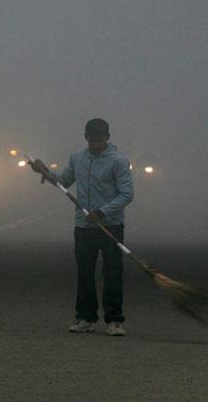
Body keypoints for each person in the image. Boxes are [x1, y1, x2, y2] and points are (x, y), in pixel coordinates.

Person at [31, 118, 134, 336]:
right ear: (85, 137)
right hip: (84, 226)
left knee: (112, 273)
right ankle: (86, 318)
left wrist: (103, 211)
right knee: (85, 272)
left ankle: (114, 320)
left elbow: (127, 194)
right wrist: (42, 170)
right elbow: (63, 181)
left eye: (100, 140)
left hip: (111, 226)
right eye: (92, 140)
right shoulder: (78, 158)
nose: (96, 144)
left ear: (107, 137)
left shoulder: (118, 161)